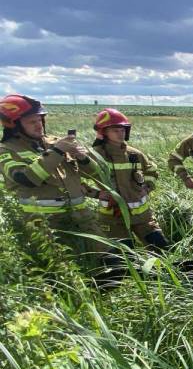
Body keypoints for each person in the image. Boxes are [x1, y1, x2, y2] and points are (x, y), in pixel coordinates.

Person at [0, 94, 103, 256]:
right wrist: (57, 152)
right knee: (66, 267)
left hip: (83, 218)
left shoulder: (55, 142)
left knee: (111, 260)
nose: (39, 125)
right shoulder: (7, 150)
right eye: (32, 122)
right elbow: (27, 179)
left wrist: (82, 158)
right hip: (46, 225)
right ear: (14, 125)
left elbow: (94, 173)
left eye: (40, 120)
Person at [91, 108, 169, 249]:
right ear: (103, 132)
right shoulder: (95, 156)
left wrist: (147, 187)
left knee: (161, 247)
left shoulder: (135, 154)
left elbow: (152, 170)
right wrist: (96, 194)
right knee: (123, 256)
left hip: (142, 217)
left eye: (123, 130)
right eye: (115, 130)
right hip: (113, 219)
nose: (120, 133)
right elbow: (76, 178)